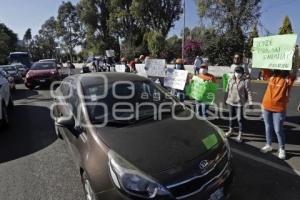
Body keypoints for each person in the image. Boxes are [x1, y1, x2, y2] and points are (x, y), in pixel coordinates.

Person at [260, 69, 297, 159]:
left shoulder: (287, 80)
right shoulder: (271, 77)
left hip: (279, 109)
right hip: (266, 106)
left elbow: (293, 74)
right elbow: (264, 69)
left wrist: (294, 62)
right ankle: (268, 145)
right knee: (268, 127)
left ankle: (282, 149)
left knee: (278, 129)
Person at [225, 66, 253, 143]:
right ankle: (231, 130)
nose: (237, 73)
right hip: (230, 102)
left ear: (242, 73)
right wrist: (225, 99)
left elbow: (249, 92)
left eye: (239, 72)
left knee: (240, 119)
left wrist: (250, 102)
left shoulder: (245, 81)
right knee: (231, 117)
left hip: (239, 103)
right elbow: (227, 90)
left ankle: (240, 134)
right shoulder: (230, 79)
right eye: (236, 72)